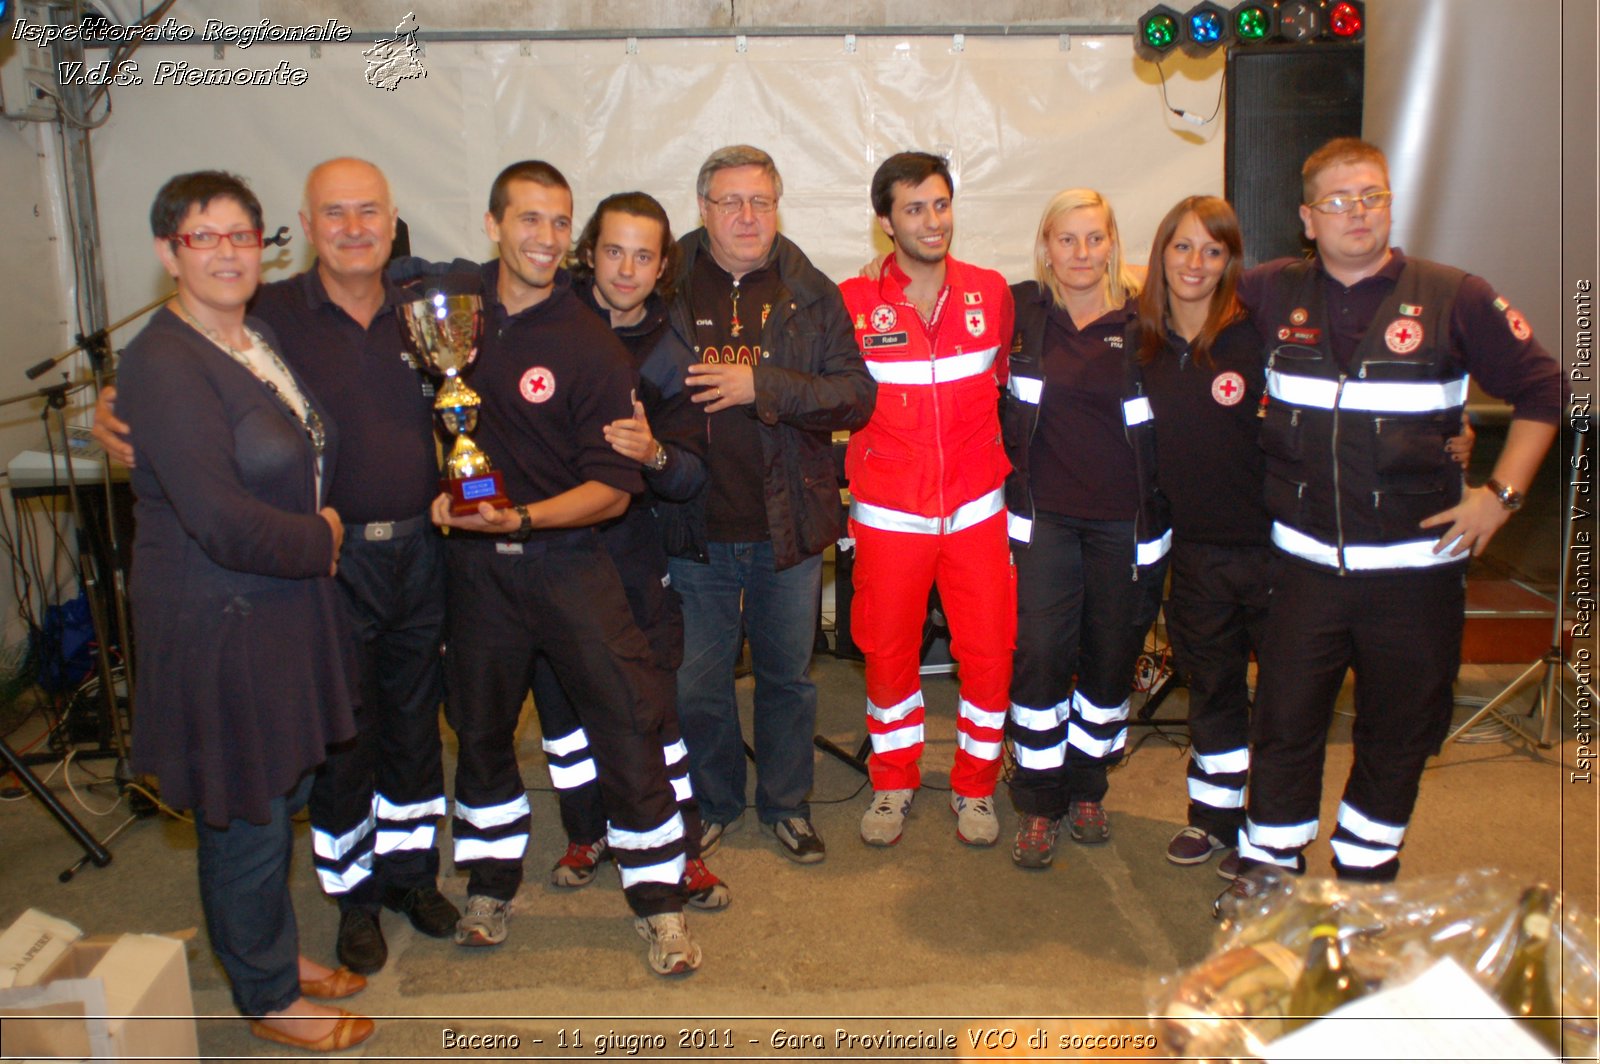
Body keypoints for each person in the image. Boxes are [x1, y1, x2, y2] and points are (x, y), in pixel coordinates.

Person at [93, 158, 457, 976]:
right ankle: (352, 902)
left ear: (394, 218)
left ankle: (411, 877)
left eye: (370, 211)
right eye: (335, 213)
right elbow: (174, 406)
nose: (354, 227)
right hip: (307, 573)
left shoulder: (424, 309)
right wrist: (109, 406)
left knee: (409, 737)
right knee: (330, 755)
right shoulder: (275, 313)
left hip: (410, 560)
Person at [1231, 138, 1562, 885]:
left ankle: (1365, 881)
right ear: (1307, 218)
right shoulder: (1268, 292)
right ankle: (1269, 871)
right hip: (1303, 569)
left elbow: (1545, 391)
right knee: (1284, 726)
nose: (1358, 212)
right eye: (1340, 200)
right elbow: (1175, 293)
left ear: (1390, 203)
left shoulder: (1456, 295)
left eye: (1372, 195)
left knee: (1399, 732)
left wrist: (1499, 497)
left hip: (1415, 578)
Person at [117, 170, 372, 1052]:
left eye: (240, 236)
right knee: (248, 804)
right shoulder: (161, 360)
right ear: (168, 252)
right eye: (203, 237)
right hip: (219, 613)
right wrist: (326, 537)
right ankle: (265, 994)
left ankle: (271, 947)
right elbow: (219, 518)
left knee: (288, 783)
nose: (226, 253)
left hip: (283, 605)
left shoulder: (253, 337)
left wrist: (315, 538)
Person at [432, 160, 701, 975]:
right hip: (476, 576)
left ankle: (661, 903)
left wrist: (526, 518)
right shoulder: (447, 310)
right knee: (479, 734)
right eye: (529, 220)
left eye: (557, 222)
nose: (544, 238)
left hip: (570, 563)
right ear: (493, 223)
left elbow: (615, 493)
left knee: (626, 724)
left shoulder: (589, 345)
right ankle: (488, 885)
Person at [659, 145, 875, 864]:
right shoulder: (666, 284)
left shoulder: (810, 290)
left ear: (778, 206)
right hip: (694, 528)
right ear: (703, 209)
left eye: (762, 201)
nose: (748, 216)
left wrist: (764, 386)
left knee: (789, 678)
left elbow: (856, 394)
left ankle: (787, 805)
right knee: (698, 684)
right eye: (731, 202)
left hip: (788, 527)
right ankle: (716, 801)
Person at [528, 190, 729, 910]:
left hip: (632, 560)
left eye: (644, 255)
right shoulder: (543, 322)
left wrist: (652, 455)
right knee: (563, 717)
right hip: (547, 554)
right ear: (589, 251)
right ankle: (589, 835)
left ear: (662, 266)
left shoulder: (675, 356)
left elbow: (693, 474)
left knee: (653, 713)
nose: (626, 268)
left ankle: (681, 847)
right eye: (614, 250)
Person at [838, 152, 1016, 847]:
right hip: (889, 516)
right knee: (887, 653)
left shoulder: (990, 291)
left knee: (991, 652)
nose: (931, 221)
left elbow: (1005, 383)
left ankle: (975, 787)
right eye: (914, 208)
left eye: (940, 204)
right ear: (886, 221)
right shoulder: (851, 304)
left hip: (976, 511)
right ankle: (893, 783)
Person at [1001, 189, 1170, 870]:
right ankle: (1038, 803)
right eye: (1065, 239)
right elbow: (947, 295)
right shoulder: (1021, 313)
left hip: (1127, 528)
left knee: (1109, 659)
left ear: (1112, 243)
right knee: (1041, 655)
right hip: (1044, 522)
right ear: (1045, 246)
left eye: (1093, 238)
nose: (1080, 253)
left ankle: (1089, 787)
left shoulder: (1147, 321)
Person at [1132, 196, 1267, 876]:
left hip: (1275, 551)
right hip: (1197, 555)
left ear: (1230, 262)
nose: (1195, 263)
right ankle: (1213, 820)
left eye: (1212, 251)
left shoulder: (1256, 334)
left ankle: (1269, 833)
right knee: (1212, 688)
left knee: (1282, 698)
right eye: (1182, 247)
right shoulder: (1141, 342)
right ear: (1161, 255)